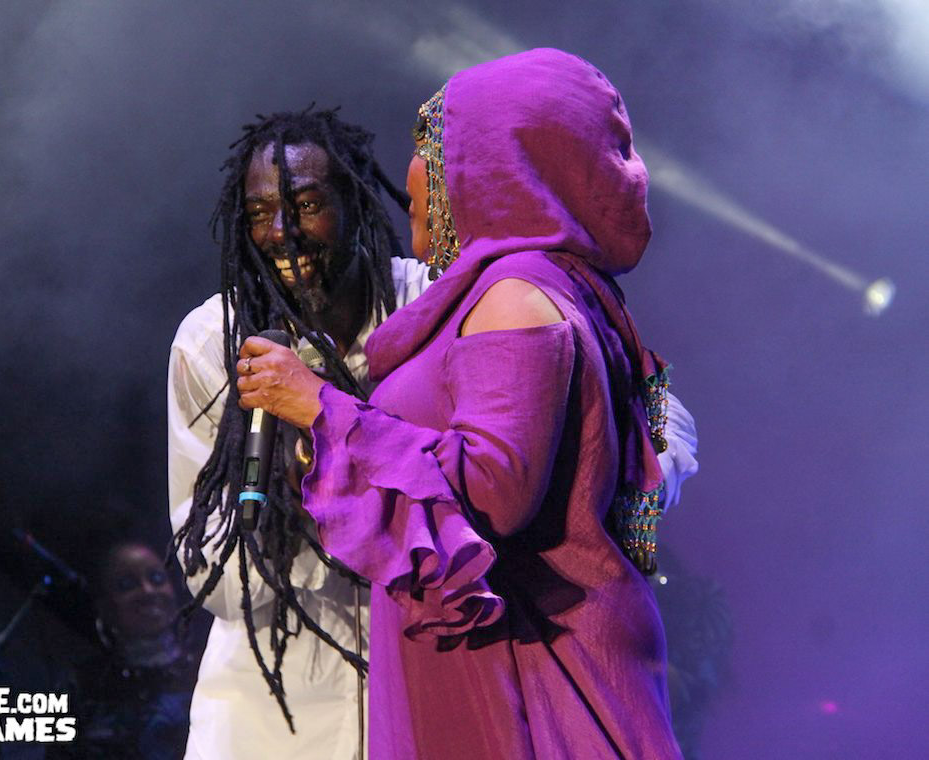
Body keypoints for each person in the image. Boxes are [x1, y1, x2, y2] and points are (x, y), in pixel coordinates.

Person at [235, 49, 687, 759]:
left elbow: (495, 491)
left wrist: (319, 405)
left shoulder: (516, 294)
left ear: (504, 163)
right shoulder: (537, 289)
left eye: (432, 148)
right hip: (508, 657)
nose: (412, 174)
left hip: (527, 675)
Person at [168, 108, 429, 760]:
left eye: (306, 204)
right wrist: (299, 501)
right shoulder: (211, 344)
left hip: (421, 693)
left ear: (354, 200)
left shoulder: (429, 307)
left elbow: (646, 407)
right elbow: (209, 573)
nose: (281, 232)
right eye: (259, 214)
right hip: (271, 716)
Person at [52, 540, 192, 759]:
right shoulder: (82, 687)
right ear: (105, 607)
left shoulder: (212, 666)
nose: (147, 591)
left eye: (156, 578)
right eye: (127, 584)